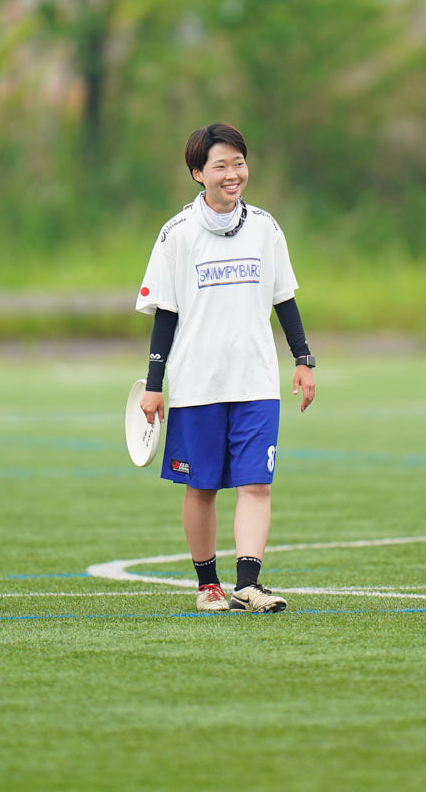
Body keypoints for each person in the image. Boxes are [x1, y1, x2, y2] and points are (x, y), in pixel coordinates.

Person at [134, 123, 316, 614]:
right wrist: (154, 384)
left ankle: (248, 584)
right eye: (221, 165)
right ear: (198, 173)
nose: (233, 173)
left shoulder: (265, 227)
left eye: (239, 163)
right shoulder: (177, 234)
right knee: (202, 487)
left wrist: (303, 360)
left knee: (257, 484)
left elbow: (284, 298)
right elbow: (165, 314)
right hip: (197, 384)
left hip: (256, 381)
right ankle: (208, 585)